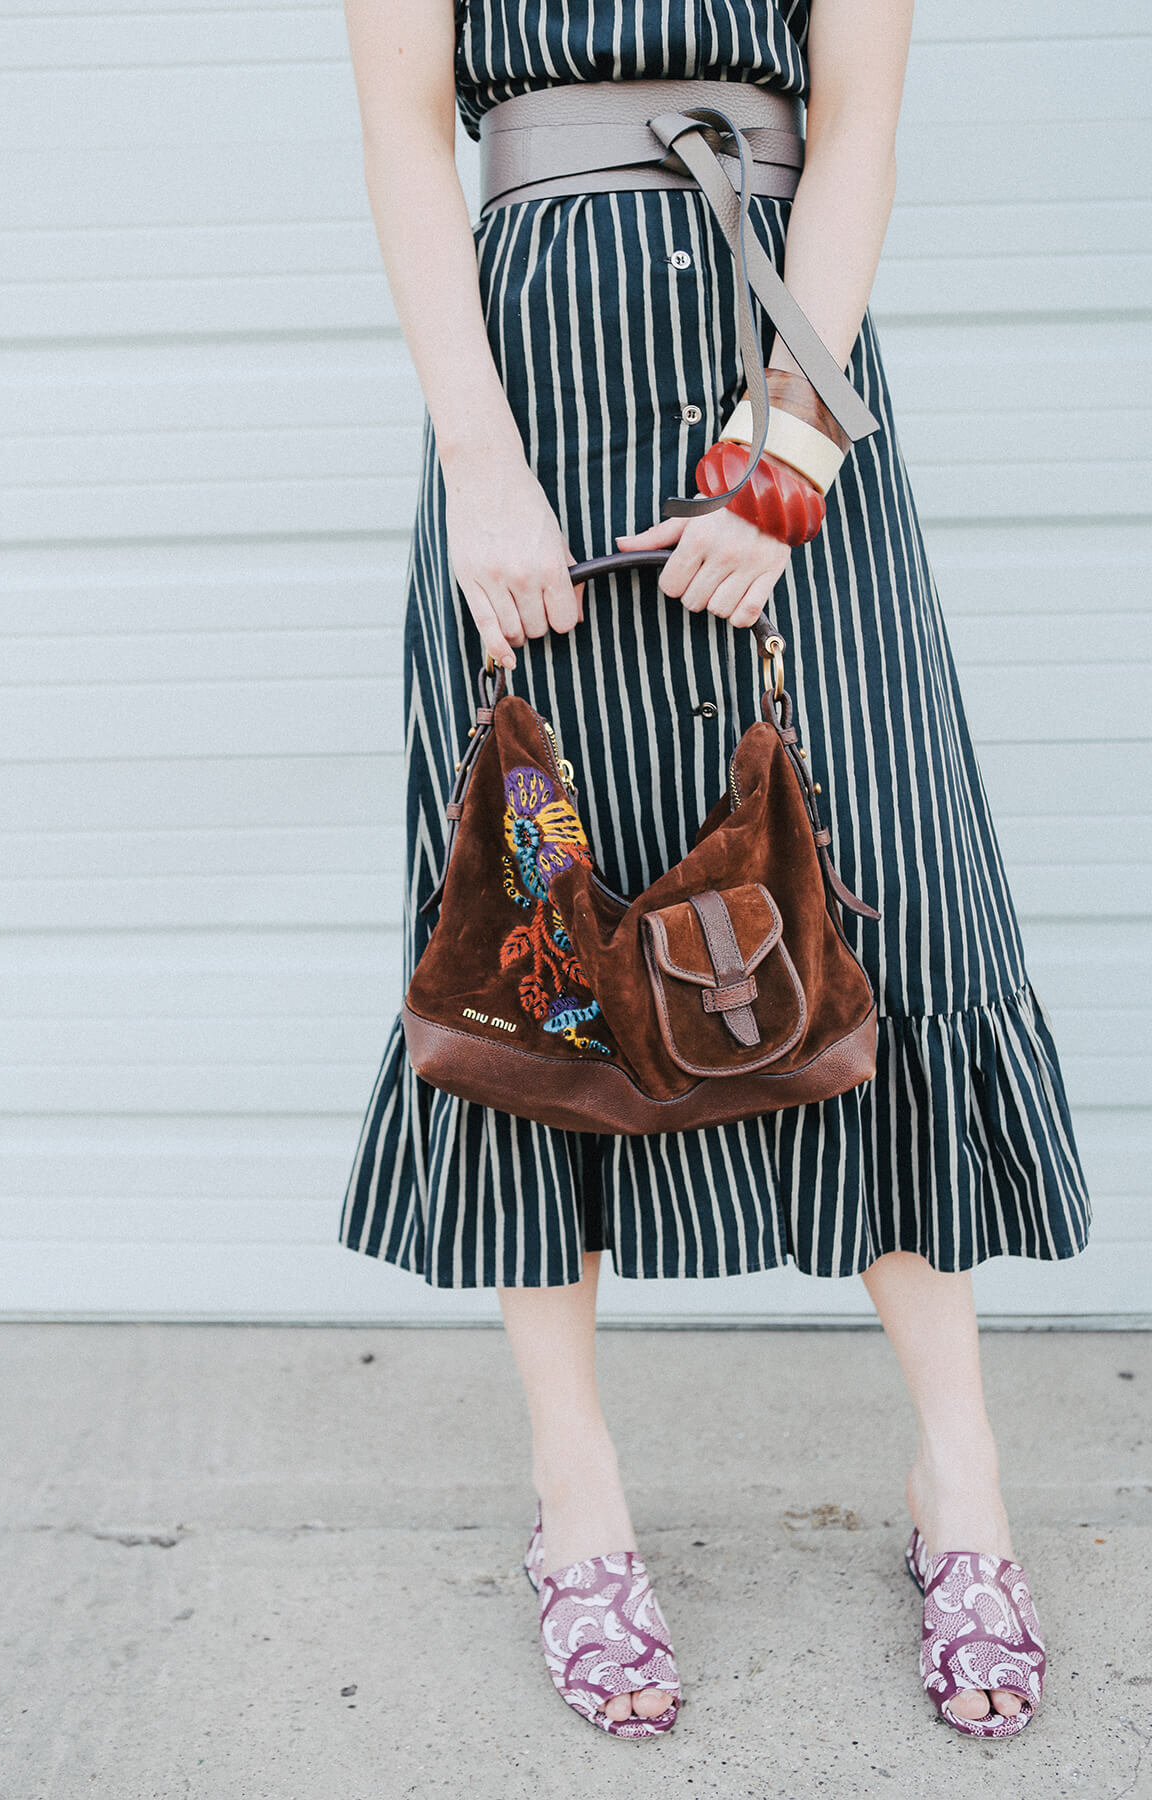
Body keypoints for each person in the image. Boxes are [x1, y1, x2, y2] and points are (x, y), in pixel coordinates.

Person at [338, 0, 1092, 1740]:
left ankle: (958, 1491)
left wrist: (788, 463)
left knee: (891, 901)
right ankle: (578, 1504)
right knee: (531, 944)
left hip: (789, 395)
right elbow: (400, 139)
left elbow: (858, 125)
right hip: (533, 415)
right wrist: (476, 461)